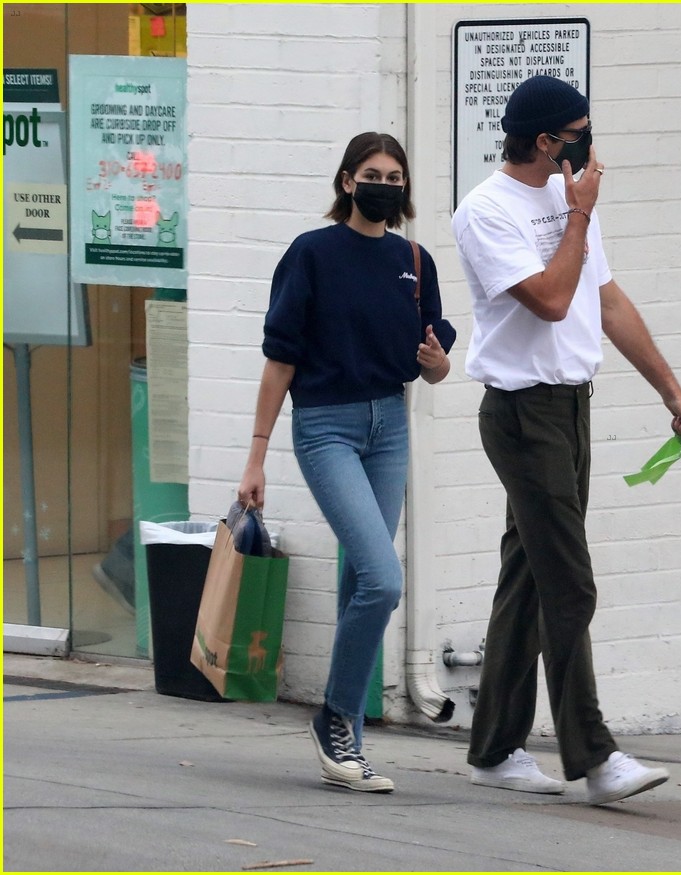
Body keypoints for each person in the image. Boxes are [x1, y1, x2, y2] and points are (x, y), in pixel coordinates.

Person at [452, 75, 681, 806]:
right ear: (543, 141)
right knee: (570, 581)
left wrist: (673, 392)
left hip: (570, 408)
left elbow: (606, 298)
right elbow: (554, 299)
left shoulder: (571, 204)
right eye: (579, 133)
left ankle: (495, 748)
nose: (590, 147)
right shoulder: (487, 210)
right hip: (521, 413)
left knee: (529, 578)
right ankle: (594, 754)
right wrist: (578, 218)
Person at [238, 131, 455, 794]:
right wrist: (257, 457)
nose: (384, 184)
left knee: (363, 579)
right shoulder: (312, 254)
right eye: (372, 173)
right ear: (345, 182)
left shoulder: (413, 258)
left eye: (394, 175)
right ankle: (336, 714)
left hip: (389, 423)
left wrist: (440, 363)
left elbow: (436, 345)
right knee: (384, 580)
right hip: (325, 427)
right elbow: (280, 358)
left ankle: (346, 745)